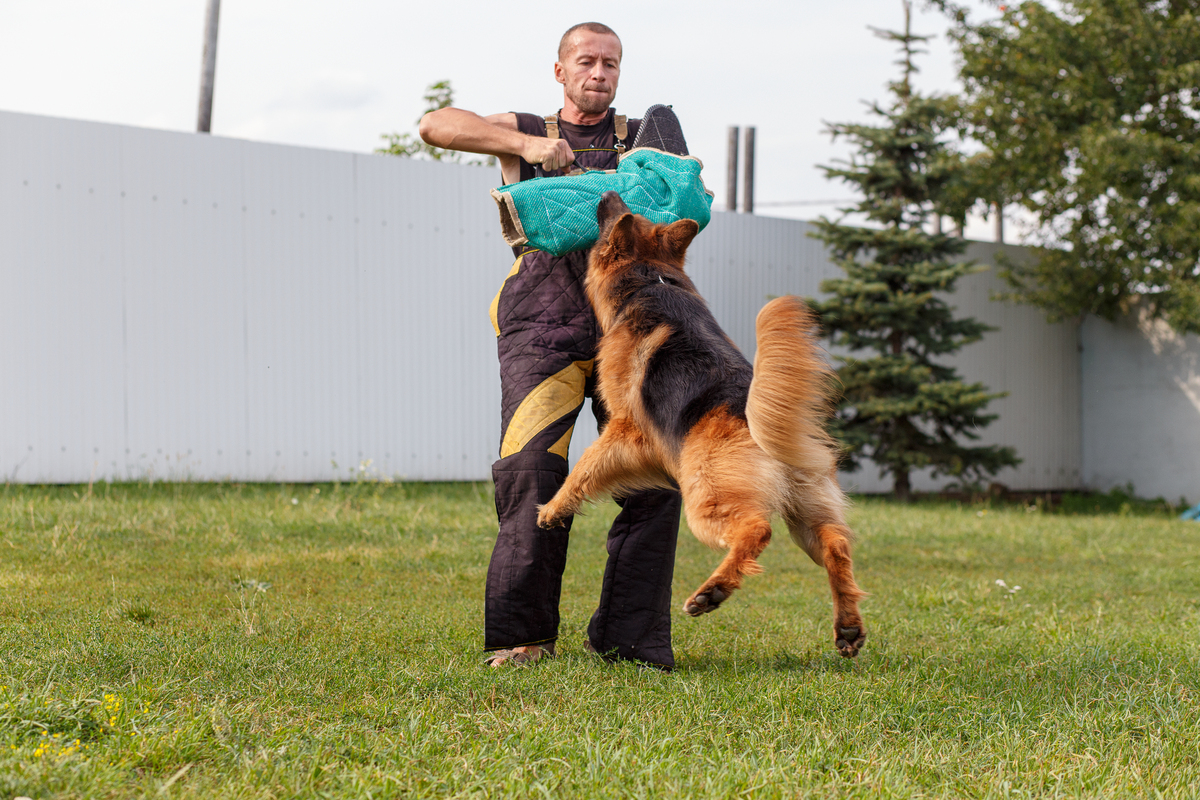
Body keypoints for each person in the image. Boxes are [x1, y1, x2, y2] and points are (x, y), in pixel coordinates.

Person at [419, 22, 688, 669]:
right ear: (561, 71)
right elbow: (435, 125)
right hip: (542, 329)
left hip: (628, 332)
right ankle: (522, 636)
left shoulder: (640, 139)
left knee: (653, 481)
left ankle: (630, 641)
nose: (600, 73)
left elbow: (683, 203)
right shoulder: (526, 129)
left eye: (611, 64)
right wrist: (528, 146)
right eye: (587, 62)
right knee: (532, 474)